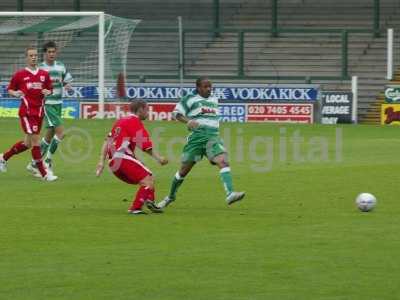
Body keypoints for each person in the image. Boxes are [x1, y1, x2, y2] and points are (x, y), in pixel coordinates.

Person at [157, 77, 245, 209]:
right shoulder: (190, 98)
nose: (209, 89)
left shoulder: (214, 99)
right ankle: (170, 197)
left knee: (223, 161)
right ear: (198, 87)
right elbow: (176, 114)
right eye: (205, 86)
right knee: (183, 172)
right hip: (196, 139)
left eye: (210, 86)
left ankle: (230, 193)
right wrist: (188, 121)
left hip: (212, 138)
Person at [96, 100, 168, 214]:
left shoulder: (120, 121)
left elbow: (107, 141)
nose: (148, 113)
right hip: (122, 158)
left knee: (148, 177)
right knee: (147, 180)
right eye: (147, 110)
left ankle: (150, 201)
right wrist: (159, 158)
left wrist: (101, 162)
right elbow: (145, 145)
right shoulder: (134, 121)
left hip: (113, 162)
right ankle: (135, 208)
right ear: (140, 110)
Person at [0, 46, 57, 181]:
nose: (33, 57)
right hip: (26, 112)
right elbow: (10, 89)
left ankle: (3, 158)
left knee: (27, 144)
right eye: (31, 55)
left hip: (39, 113)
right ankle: (44, 174)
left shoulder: (44, 74)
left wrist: (49, 92)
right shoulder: (20, 75)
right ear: (26, 58)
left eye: (35, 55)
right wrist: (15, 93)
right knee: (36, 142)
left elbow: (50, 89)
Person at [27, 41, 73, 176]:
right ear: (44, 53)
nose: (52, 54)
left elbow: (67, 80)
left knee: (48, 137)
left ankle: (33, 163)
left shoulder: (61, 66)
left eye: (54, 52)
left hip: (58, 103)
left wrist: (67, 87)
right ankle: (47, 161)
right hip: (47, 104)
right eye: (49, 52)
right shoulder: (40, 69)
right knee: (61, 133)